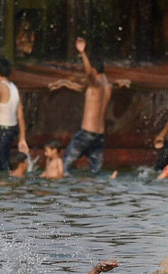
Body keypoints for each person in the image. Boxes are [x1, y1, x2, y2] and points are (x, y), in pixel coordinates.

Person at [61, 37, 112, 175]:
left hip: (86, 133)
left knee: (64, 168)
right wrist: (69, 84)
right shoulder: (107, 86)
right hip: (99, 136)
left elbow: (89, 73)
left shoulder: (95, 83)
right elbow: (86, 86)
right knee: (96, 173)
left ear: (95, 70)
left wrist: (82, 53)